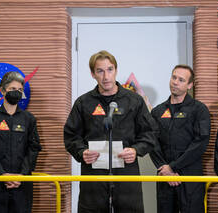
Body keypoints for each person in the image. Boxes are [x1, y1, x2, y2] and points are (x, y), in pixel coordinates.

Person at [64, 50, 157, 213]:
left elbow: (150, 133)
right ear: (93, 74)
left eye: (110, 69)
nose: (106, 76)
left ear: (116, 70)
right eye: (100, 71)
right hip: (93, 176)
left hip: (126, 174)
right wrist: (81, 152)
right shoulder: (83, 103)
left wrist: (136, 150)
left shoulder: (134, 101)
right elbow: (71, 135)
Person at [150, 64, 211, 213]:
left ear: (189, 85)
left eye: (181, 80)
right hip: (164, 176)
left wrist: (173, 167)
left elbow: (201, 143)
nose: (175, 82)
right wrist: (165, 169)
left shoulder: (199, 110)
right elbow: (152, 143)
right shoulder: (158, 111)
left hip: (190, 177)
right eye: (174, 77)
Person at [0, 71, 42, 213]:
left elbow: (34, 149)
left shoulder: (29, 119)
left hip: (22, 186)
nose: (17, 92)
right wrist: (2, 174)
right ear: (2, 90)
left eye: (20, 90)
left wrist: (22, 175)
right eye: (13, 89)